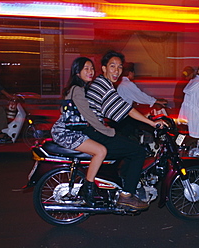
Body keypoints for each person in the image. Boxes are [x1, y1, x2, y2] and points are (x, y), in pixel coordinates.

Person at [86, 50, 163, 211]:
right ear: (104, 68)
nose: (116, 70)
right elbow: (126, 110)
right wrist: (152, 123)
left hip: (94, 129)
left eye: (120, 67)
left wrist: (145, 115)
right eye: (112, 66)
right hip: (93, 132)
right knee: (138, 152)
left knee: (124, 142)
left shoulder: (102, 83)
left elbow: (116, 109)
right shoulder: (104, 85)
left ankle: (118, 182)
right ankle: (126, 195)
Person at [51, 57, 114, 207]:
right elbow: (88, 114)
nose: (90, 71)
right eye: (86, 68)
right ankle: (88, 189)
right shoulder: (78, 89)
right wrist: (106, 130)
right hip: (66, 133)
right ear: (77, 72)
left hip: (69, 130)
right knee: (100, 151)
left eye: (92, 68)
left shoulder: (77, 88)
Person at [116, 62, 167, 139]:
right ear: (130, 73)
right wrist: (156, 101)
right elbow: (140, 96)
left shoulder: (122, 84)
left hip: (122, 117)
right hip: (125, 118)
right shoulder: (127, 84)